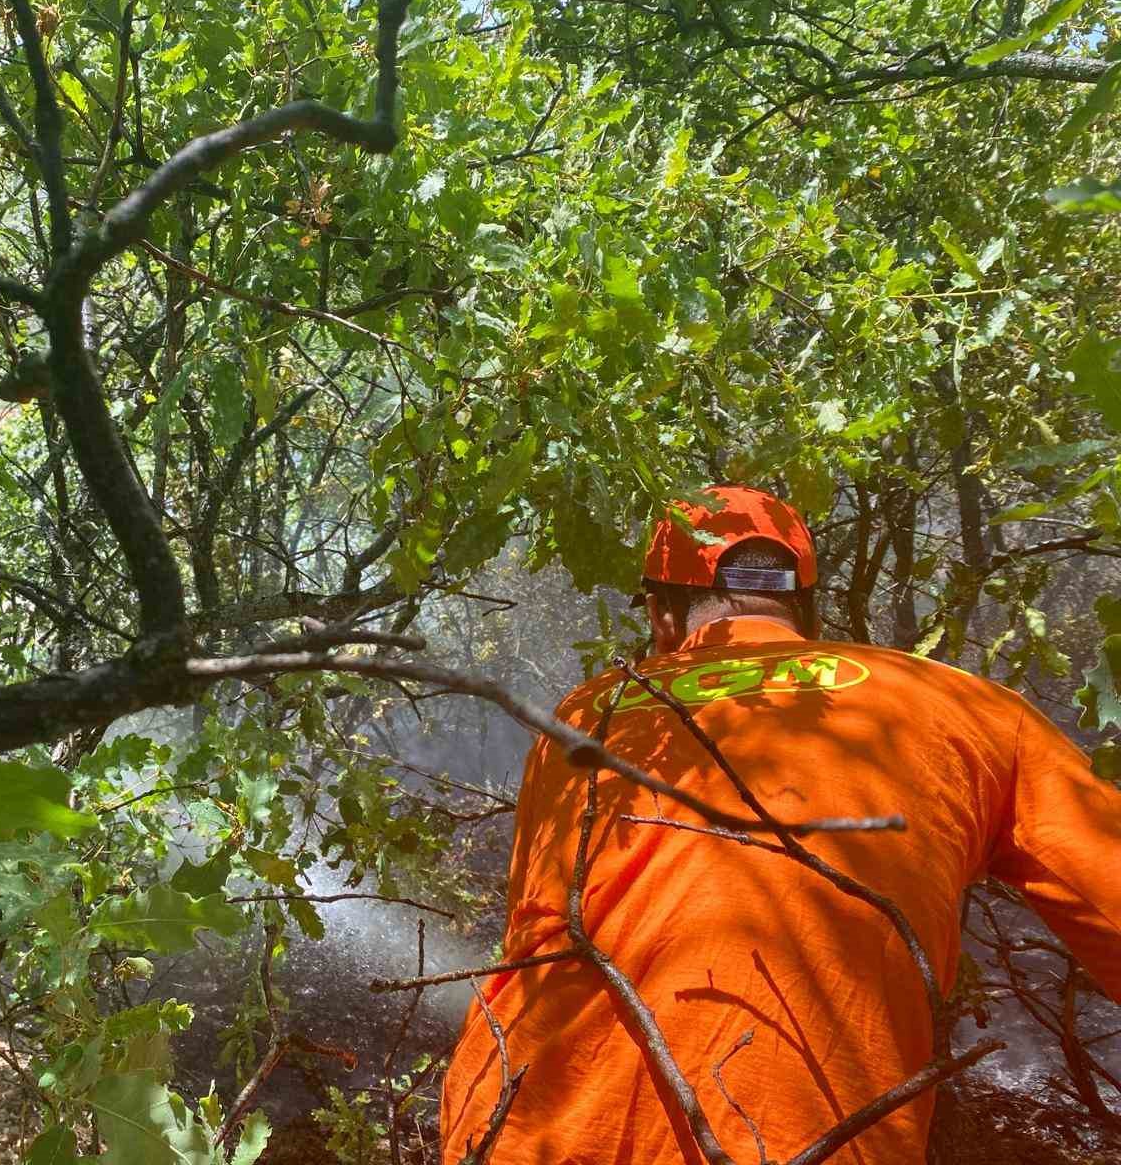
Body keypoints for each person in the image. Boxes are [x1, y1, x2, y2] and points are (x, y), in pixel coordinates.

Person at [440, 485, 1121, 1164]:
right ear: (806, 606)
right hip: (794, 1136)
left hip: (525, 1125)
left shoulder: (588, 712)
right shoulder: (966, 705)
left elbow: (543, 925)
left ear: (659, 614)